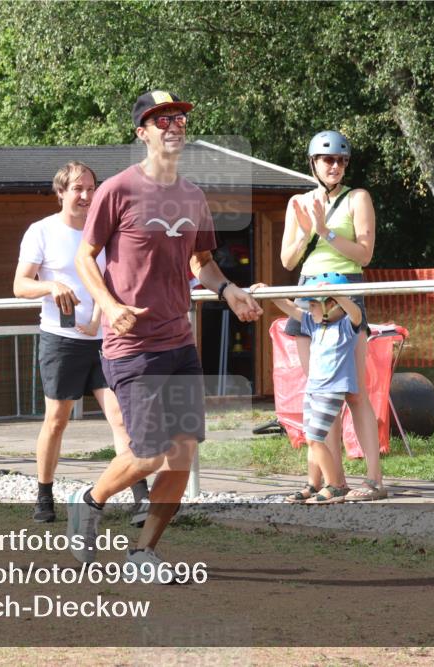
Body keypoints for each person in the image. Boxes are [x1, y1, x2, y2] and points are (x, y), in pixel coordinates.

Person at [69, 90, 263, 574]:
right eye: (161, 120)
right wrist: (110, 306)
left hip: (180, 343)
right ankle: (88, 501)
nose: (173, 126)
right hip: (131, 346)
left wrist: (229, 291)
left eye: (178, 118)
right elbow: (83, 257)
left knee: (181, 456)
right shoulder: (117, 189)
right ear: (142, 133)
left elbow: (202, 263)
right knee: (149, 453)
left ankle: (142, 552)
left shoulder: (194, 196)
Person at [13, 161, 148, 525]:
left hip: (105, 338)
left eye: (91, 188)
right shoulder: (41, 231)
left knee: (121, 417)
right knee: (57, 420)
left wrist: (97, 318)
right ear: (61, 193)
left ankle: (140, 496)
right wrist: (51, 286)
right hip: (61, 340)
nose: (87, 195)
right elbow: (20, 285)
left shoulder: (105, 232)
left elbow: (114, 283)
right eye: (78, 188)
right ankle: (44, 494)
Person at [278, 130, 386, 503]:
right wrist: (309, 233)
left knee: (354, 393)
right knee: (318, 393)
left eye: (340, 160)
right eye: (328, 160)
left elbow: (364, 254)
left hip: (345, 292)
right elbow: (288, 260)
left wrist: (325, 232)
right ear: (314, 164)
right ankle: (325, 479)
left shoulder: (358, 198)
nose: (335, 166)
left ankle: (373, 479)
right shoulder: (298, 202)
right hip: (309, 294)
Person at [265, 274, 378, 503]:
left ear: (333, 305)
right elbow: (291, 309)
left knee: (316, 438)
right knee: (311, 438)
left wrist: (337, 294)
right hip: (314, 390)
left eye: (315, 304)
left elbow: (355, 313)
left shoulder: (346, 327)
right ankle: (318, 483)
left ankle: (335, 484)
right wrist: (268, 292)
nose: (310, 309)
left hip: (330, 390)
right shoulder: (314, 324)